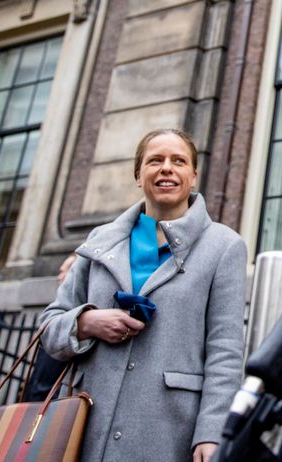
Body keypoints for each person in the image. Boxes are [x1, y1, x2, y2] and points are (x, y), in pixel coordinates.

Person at [40, 129, 247, 462]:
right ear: (139, 175)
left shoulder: (224, 247)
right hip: (85, 431)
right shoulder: (100, 241)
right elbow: (49, 327)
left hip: (169, 433)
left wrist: (212, 432)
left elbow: (225, 350)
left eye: (178, 161)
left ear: (193, 176)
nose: (167, 168)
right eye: (155, 160)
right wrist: (87, 322)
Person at [22, 254, 77, 402]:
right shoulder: (59, 314)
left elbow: (45, 383)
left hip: (48, 405)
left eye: (65, 271)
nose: (59, 277)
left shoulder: (70, 319)